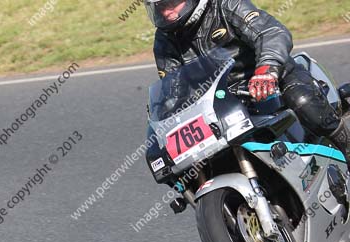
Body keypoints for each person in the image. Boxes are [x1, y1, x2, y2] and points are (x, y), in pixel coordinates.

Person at [144, 0, 349, 159]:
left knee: (304, 103)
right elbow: (174, 89)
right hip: (222, 104)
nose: (168, 13)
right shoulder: (164, 40)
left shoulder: (225, 5)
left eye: (171, 4)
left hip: (271, 78)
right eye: (160, 9)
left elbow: (270, 33)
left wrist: (266, 70)